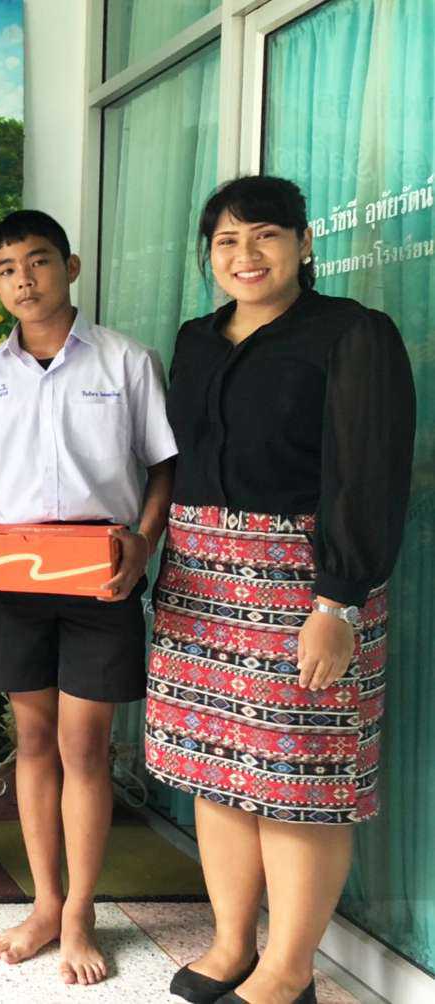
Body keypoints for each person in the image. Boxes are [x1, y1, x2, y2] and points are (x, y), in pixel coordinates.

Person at [147, 176, 414, 1004]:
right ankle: (232, 945)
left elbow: (369, 475)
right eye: (226, 241)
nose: (245, 254)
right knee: (218, 771)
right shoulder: (196, 339)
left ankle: (289, 969)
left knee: (299, 783)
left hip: (305, 586)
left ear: (303, 242)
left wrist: (337, 602)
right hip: (199, 585)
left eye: (264, 235)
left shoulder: (352, 334)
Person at [0, 210, 177, 984]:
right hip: (16, 573)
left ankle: (81, 912)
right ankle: (45, 903)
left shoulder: (126, 361)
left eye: (39, 261)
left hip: (97, 569)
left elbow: (163, 465)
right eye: (7, 268)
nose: (24, 279)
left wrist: (142, 543)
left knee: (85, 747)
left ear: (71, 267)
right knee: (33, 742)